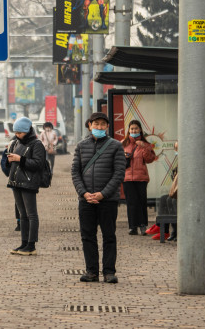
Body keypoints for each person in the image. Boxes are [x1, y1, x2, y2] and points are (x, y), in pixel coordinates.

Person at [71, 112, 125, 284]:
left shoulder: (116, 146)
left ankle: (109, 272)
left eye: (103, 124)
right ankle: (91, 272)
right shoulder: (81, 146)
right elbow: (75, 172)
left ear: (107, 127)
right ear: (90, 126)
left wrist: (103, 194)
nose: (99, 127)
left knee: (109, 236)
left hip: (107, 200)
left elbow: (118, 174)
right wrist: (84, 193)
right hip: (86, 200)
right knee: (88, 236)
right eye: (96, 124)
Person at [5, 117, 47, 256]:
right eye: (16, 132)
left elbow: (38, 164)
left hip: (29, 183)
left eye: (20, 132)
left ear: (27, 131)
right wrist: (10, 159)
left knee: (31, 214)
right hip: (16, 182)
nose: (17, 135)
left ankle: (31, 245)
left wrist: (20, 159)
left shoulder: (36, 144)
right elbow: (13, 163)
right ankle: (24, 242)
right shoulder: (17, 143)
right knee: (22, 215)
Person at [122, 120, 156, 235]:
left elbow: (150, 159)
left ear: (140, 129)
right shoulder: (123, 143)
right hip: (127, 178)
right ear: (128, 130)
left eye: (136, 129)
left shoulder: (145, 144)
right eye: (131, 129)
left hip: (141, 178)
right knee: (131, 202)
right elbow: (117, 160)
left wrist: (144, 148)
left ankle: (142, 225)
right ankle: (132, 226)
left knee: (141, 202)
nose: (133, 131)